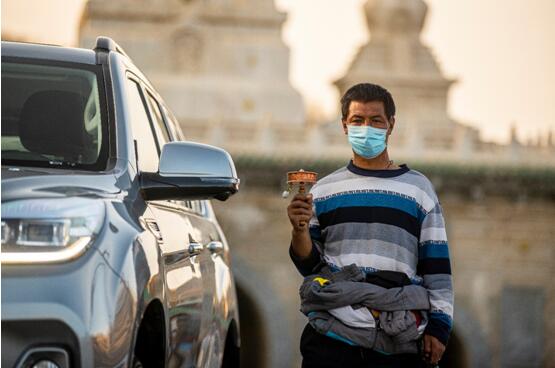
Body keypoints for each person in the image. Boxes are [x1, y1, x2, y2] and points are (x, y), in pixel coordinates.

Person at [287, 83, 453, 367]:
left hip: (398, 337)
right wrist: (299, 229)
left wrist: (439, 328)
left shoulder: (419, 190)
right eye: (357, 120)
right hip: (332, 335)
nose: (367, 128)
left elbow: (436, 267)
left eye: (376, 120)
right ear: (344, 126)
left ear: (391, 125)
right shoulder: (325, 190)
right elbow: (310, 265)